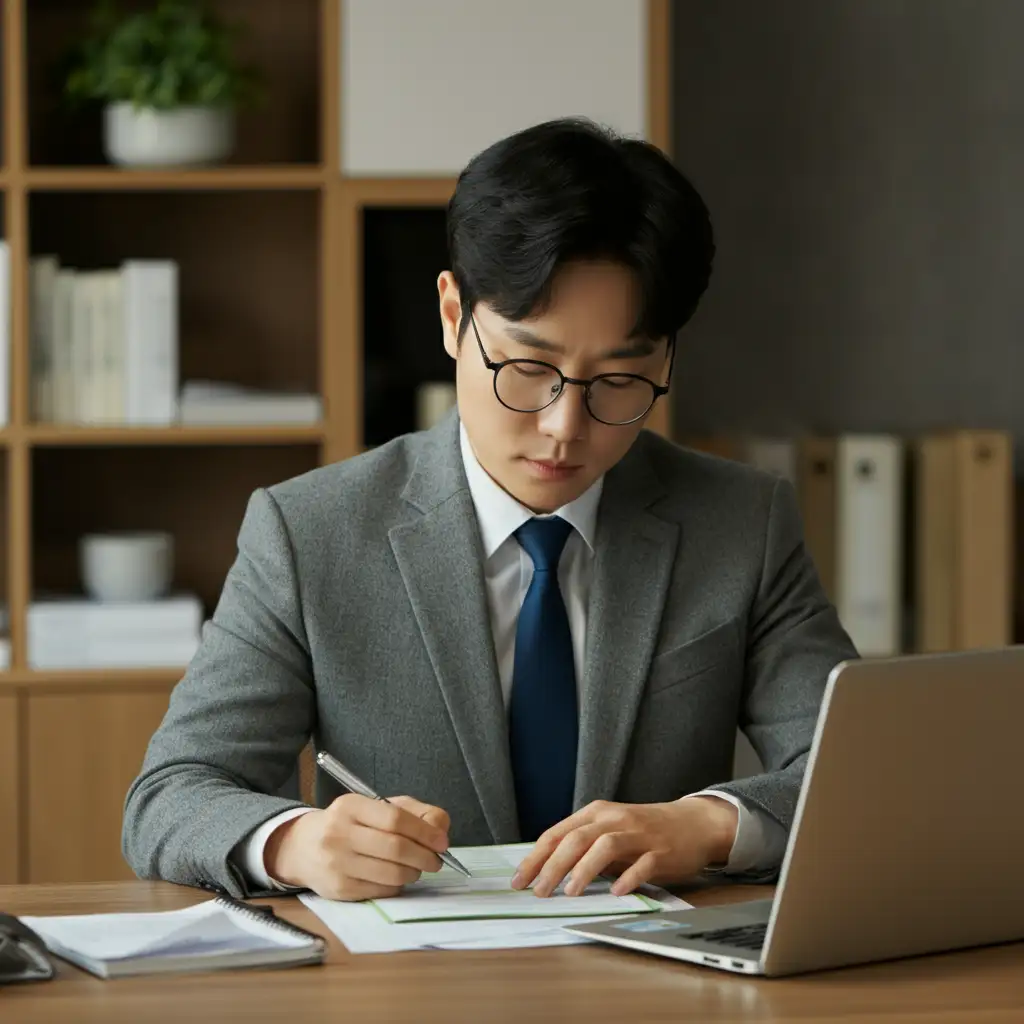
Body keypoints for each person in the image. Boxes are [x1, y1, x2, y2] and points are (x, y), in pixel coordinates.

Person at [123, 117, 857, 903]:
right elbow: (170, 795)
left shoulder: (743, 522)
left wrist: (710, 825)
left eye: (618, 380)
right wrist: (296, 841)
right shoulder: (310, 532)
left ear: (666, 357)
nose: (563, 426)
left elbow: (854, 777)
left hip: (657, 983)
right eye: (528, 366)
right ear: (452, 315)